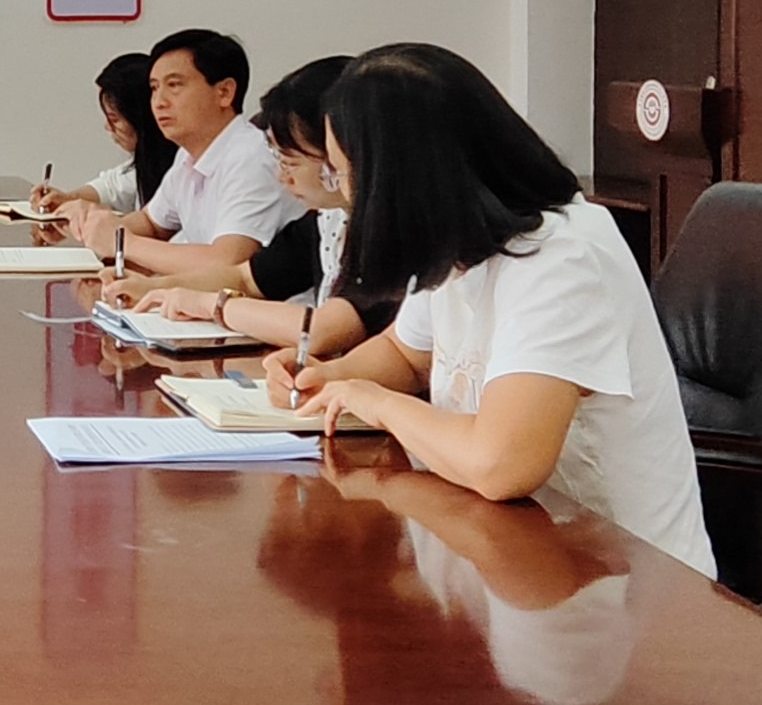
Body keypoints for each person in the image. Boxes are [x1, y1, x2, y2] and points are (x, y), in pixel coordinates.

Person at [277, 43, 714, 577]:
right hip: (508, 554)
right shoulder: (458, 243)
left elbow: (502, 464)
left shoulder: (561, 257)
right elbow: (406, 354)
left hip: (620, 584)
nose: (346, 196)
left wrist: (377, 403)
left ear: (402, 180)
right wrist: (328, 379)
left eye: (344, 175)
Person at [110, 55, 352, 344]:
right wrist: (155, 288)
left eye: (290, 162)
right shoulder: (328, 217)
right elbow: (246, 278)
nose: (282, 177)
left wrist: (213, 304)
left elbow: (325, 330)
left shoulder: (251, 156)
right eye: (154, 88)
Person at [52, 29, 301, 275]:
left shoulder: (252, 157)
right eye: (154, 88)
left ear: (224, 92)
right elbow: (151, 223)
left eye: (174, 85)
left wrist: (123, 242)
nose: (159, 102)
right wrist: (90, 226)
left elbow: (227, 262)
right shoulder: (188, 155)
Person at [32, 53, 180, 215]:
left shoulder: (180, 167)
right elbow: (110, 187)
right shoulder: (145, 165)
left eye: (114, 119)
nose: (108, 127)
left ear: (141, 118)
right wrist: (65, 199)